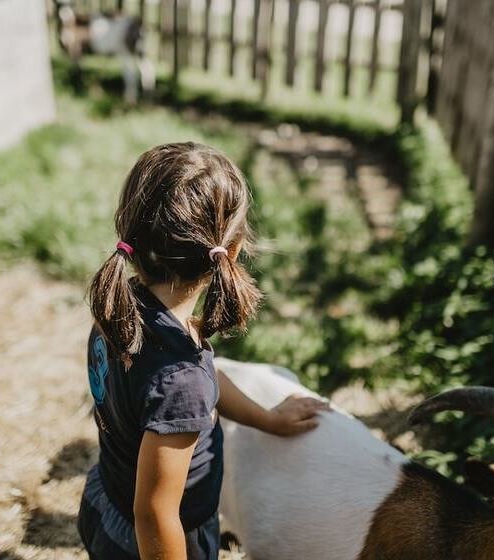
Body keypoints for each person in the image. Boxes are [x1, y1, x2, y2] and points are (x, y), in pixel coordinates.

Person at [77, 142, 329, 560]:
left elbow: (203, 384)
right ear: (229, 251)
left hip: (105, 501)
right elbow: (156, 515)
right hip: (159, 544)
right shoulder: (180, 379)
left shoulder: (119, 304)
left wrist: (268, 420)